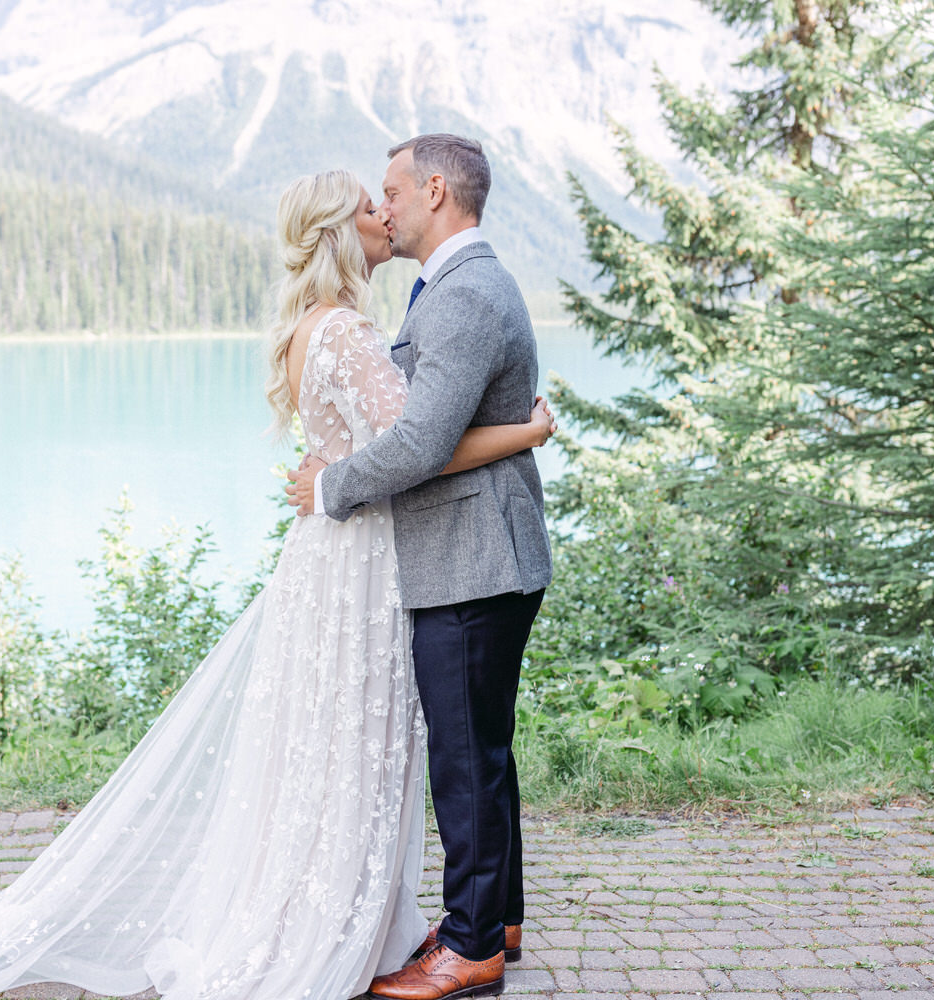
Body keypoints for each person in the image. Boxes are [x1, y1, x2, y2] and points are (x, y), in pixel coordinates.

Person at [0, 168, 553, 1000]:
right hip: (357, 563)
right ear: (345, 233)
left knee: (339, 744)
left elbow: (388, 443)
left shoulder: (322, 325)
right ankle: (348, 920)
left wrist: (341, 472)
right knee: (357, 741)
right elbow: (414, 448)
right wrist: (523, 429)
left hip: (335, 557)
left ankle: (388, 915)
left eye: (390, 198)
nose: (385, 212)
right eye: (369, 205)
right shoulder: (346, 330)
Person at [287, 133, 550, 1000]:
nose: (385, 207)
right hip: (471, 554)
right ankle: (496, 916)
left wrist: (330, 487)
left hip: (472, 557)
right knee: (484, 750)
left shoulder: (466, 293)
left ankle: (472, 945)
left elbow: (420, 442)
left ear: (436, 191)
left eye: (393, 190)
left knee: (465, 758)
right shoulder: (453, 288)